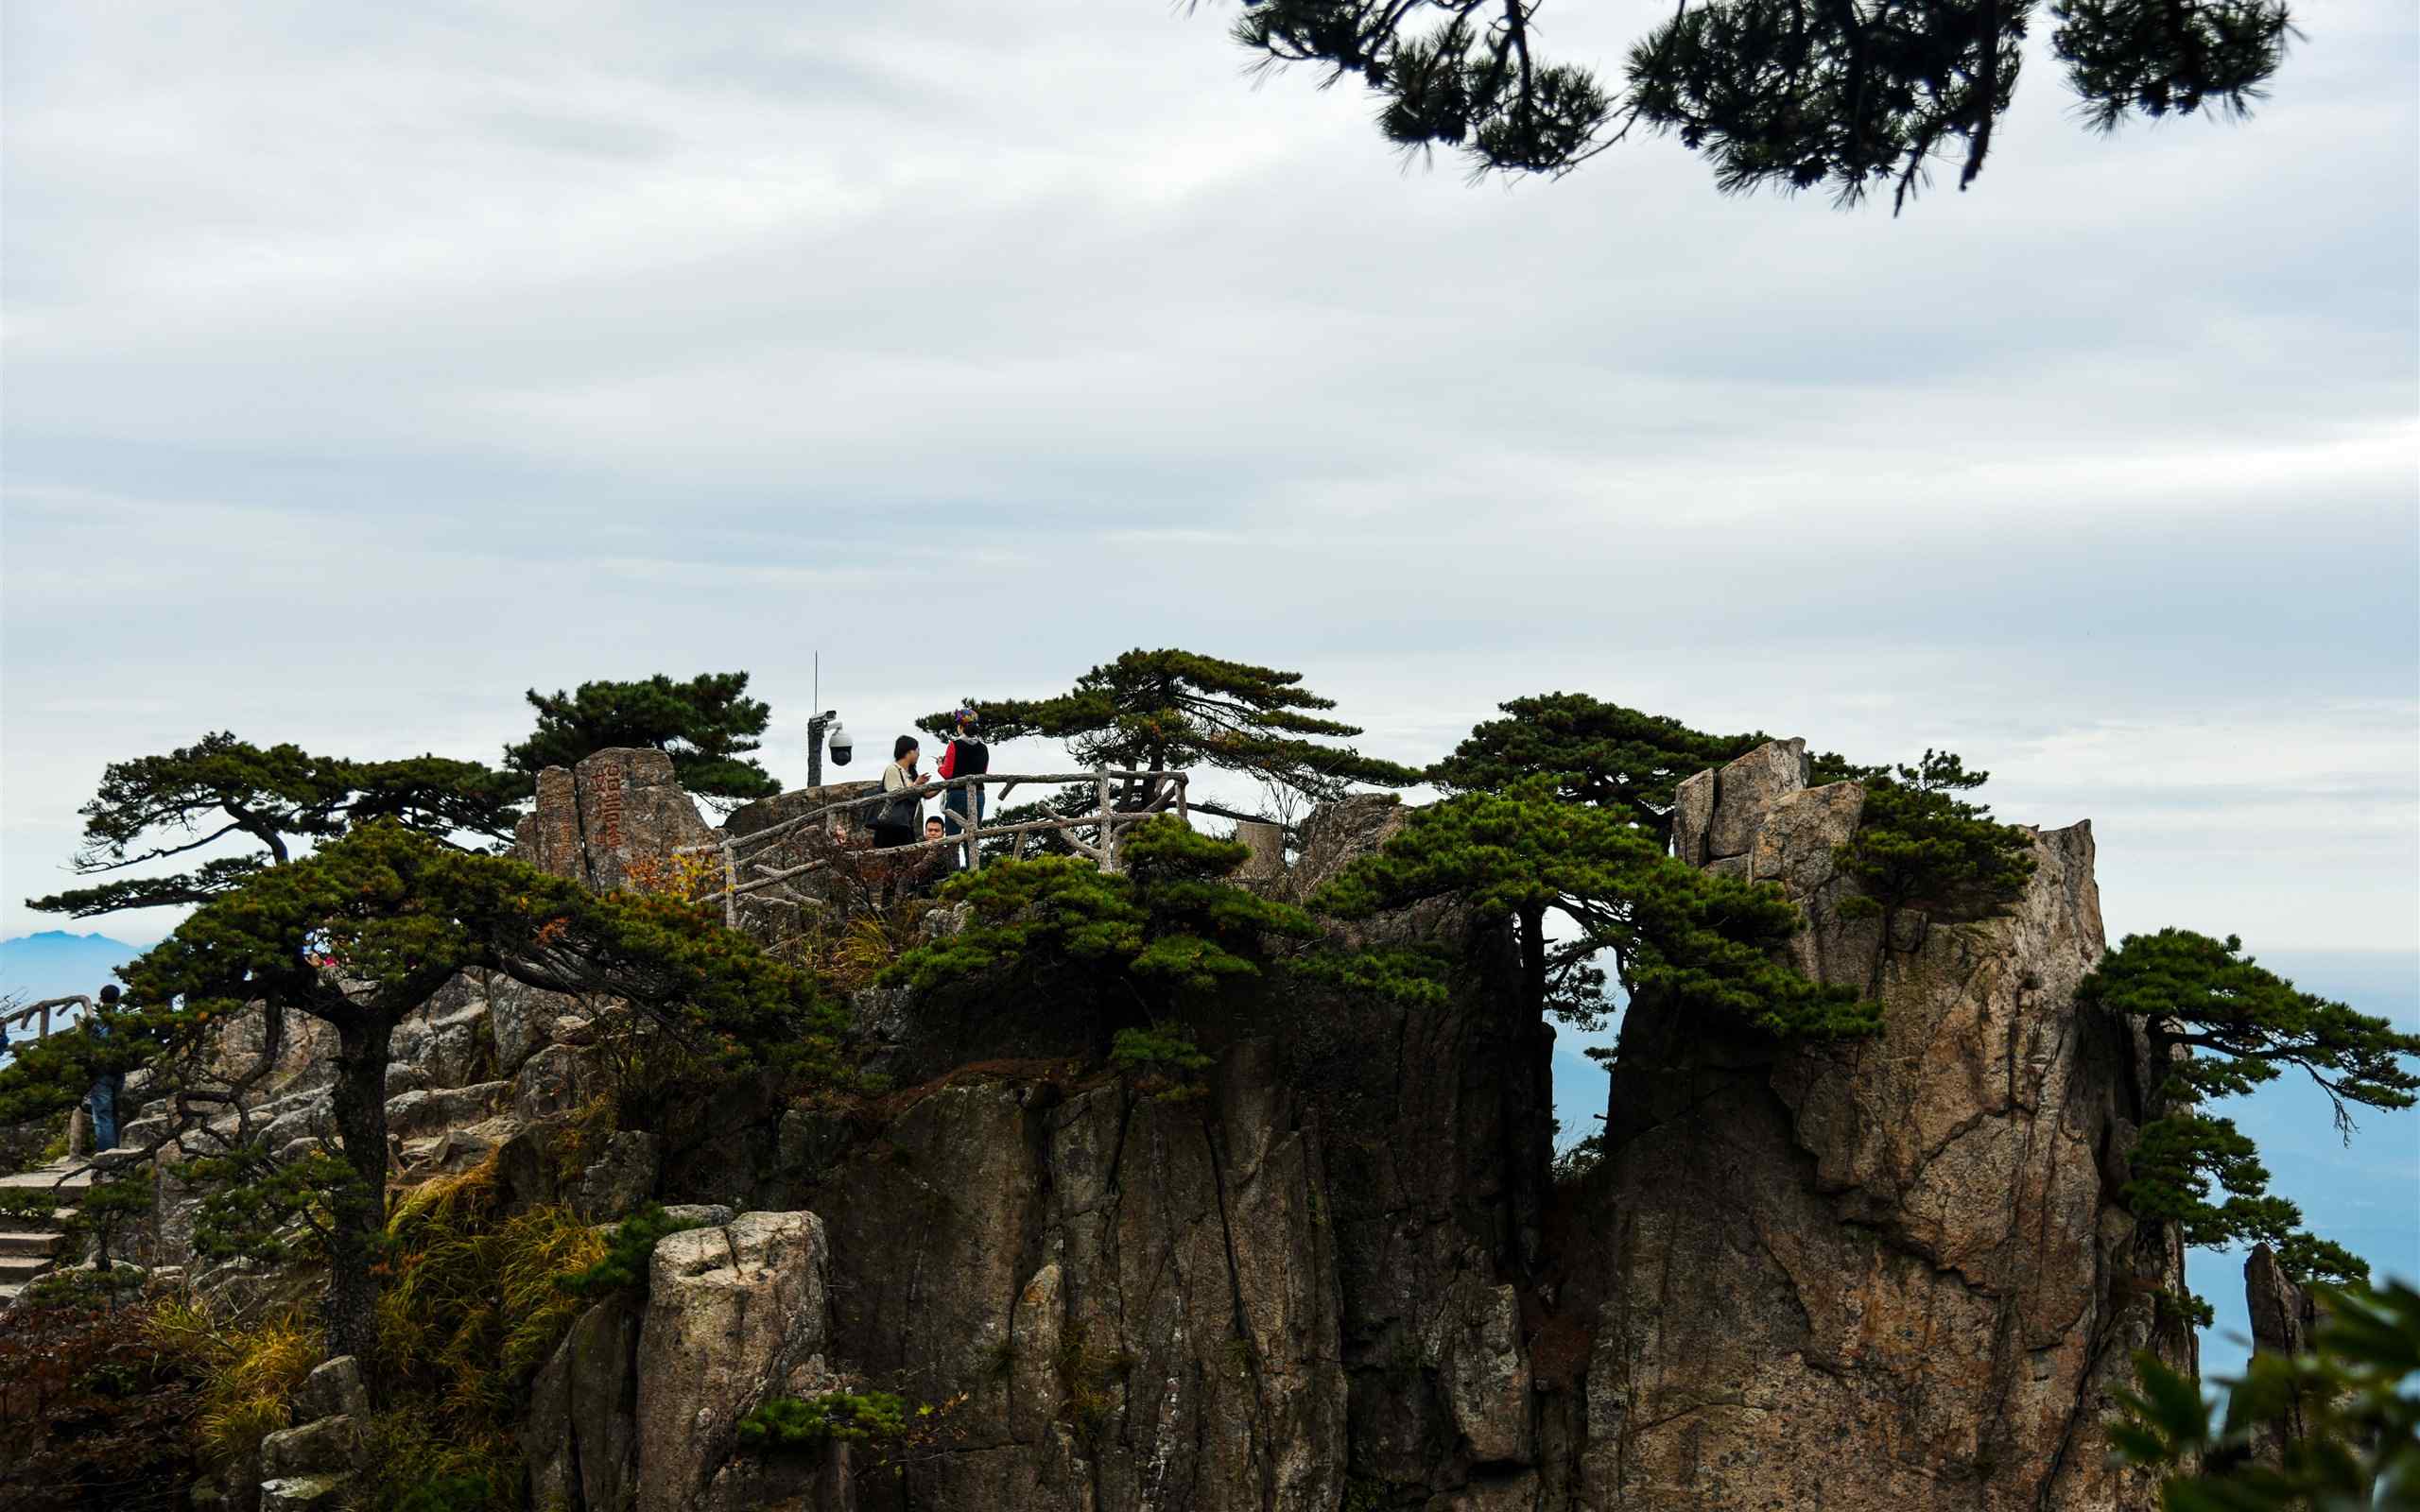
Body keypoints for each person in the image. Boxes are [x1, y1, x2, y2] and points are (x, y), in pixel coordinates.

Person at [935, 704, 989, 848]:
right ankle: (974, 869)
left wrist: (940, 765)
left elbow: (948, 774)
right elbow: (983, 773)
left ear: (960, 727)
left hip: (957, 795)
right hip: (978, 794)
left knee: (953, 839)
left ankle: (954, 869)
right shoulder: (983, 748)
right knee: (972, 838)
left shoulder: (954, 745)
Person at [86, 985, 126, 1151]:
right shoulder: (125, 1019)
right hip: (120, 1070)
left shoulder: (95, 1022)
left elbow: (87, 1045)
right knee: (115, 1113)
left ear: (100, 999)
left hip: (101, 1072)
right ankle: (117, 1151)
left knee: (103, 1116)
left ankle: (107, 1156)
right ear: (119, 999)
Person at [872, 735, 925, 850]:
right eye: (917, 750)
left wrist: (946, 781)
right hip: (892, 826)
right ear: (909, 751)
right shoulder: (893, 769)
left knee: (907, 860)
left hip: (904, 824)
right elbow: (896, 794)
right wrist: (916, 784)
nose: (918, 754)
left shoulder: (910, 773)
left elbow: (926, 794)